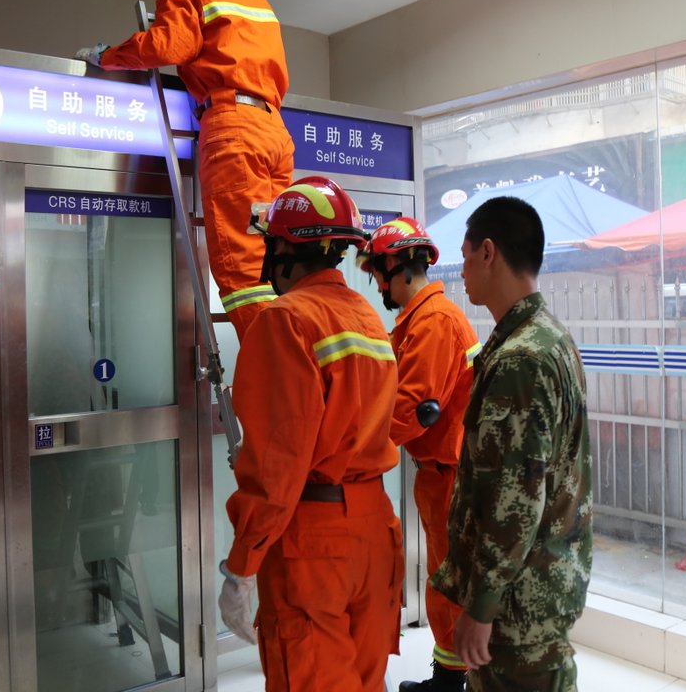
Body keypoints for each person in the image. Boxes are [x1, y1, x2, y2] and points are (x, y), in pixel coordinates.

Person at [219, 176, 404, 692]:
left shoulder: (286, 321)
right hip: (375, 530)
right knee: (365, 682)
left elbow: (279, 462)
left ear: (283, 249)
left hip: (313, 541)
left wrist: (243, 564)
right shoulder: (368, 319)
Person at [76, 0, 294, 341]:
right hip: (274, 131)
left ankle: (279, 370)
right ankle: (297, 355)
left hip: (233, 127)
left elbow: (167, 46)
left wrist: (106, 57)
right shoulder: (256, 0)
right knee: (277, 257)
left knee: (242, 271)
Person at [430, 197, 593, 692]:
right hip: (542, 586)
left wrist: (482, 607)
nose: (460, 271)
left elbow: (515, 500)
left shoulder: (519, 359)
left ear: (488, 251)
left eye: (463, 255)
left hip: (517, 608)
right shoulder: (550, 338)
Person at [359, 217, 482, 692]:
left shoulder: (432, 322)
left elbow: (412, 409)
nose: (377, 283)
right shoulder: (420, 320)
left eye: (377, 272)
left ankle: (453, 685)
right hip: (440, 472)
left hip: (450, 473)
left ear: (399, 266)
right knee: (444, 579)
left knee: (451, 583)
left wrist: (353, 445)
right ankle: (451, 676)